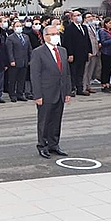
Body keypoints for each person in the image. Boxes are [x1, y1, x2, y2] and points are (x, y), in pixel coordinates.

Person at [31, 26, 72, 159]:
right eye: (52, 34)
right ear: (45, 36)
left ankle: (54, 144)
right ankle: (43, 145)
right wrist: (37, 95)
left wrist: (67, 91)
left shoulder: (62, 50)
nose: (56, 36)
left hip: (60, 92)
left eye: (57, 33)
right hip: (46, 92)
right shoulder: (38, 52)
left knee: (56, 119)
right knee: (45, 120)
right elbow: (35, 75)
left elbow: (66, 73)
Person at [62, 11, 92, 96]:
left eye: (79, 15)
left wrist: (89, 51)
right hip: (74, 54)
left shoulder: (84, 27)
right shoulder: (69, 28)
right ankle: (72, 89)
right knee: (73, 72)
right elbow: (68, 42)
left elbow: (87, 40)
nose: (78, 17)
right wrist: (70, 54)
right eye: (76, 16)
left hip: (83, 53)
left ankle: (80, 88)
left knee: (81, 72)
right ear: (72, 18)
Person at [5, 21, 31, 102]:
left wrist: (30, 59)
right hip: (15, 61)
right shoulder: (10, 38)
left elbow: (29, 49)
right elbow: (9, 51)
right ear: (14, 28)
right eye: (17, 26)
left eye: (20, 26)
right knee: (13, 79)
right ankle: (12, 94)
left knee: (22, 79)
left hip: (24, 61)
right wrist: (12, 60)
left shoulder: (26, 37)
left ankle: (20, 93)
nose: (19, 27)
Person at [82, 12, 100, 94]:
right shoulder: (84, 27)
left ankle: (88, 85)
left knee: (91, 70)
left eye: (91, 16)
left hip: (95, 50)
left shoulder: (92, 26)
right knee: (86, 69)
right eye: (88, 17)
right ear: (85, 19)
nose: (91, 18)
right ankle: (84, 86)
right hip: (89, 51)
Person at [98, 17, 111, 93]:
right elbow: (103, 42)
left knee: (109, 69)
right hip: (105, 52)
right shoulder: (102, 31)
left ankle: (108, 83)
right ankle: (104, 84)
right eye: (109, 23)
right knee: (105, 69)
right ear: (105, 24)